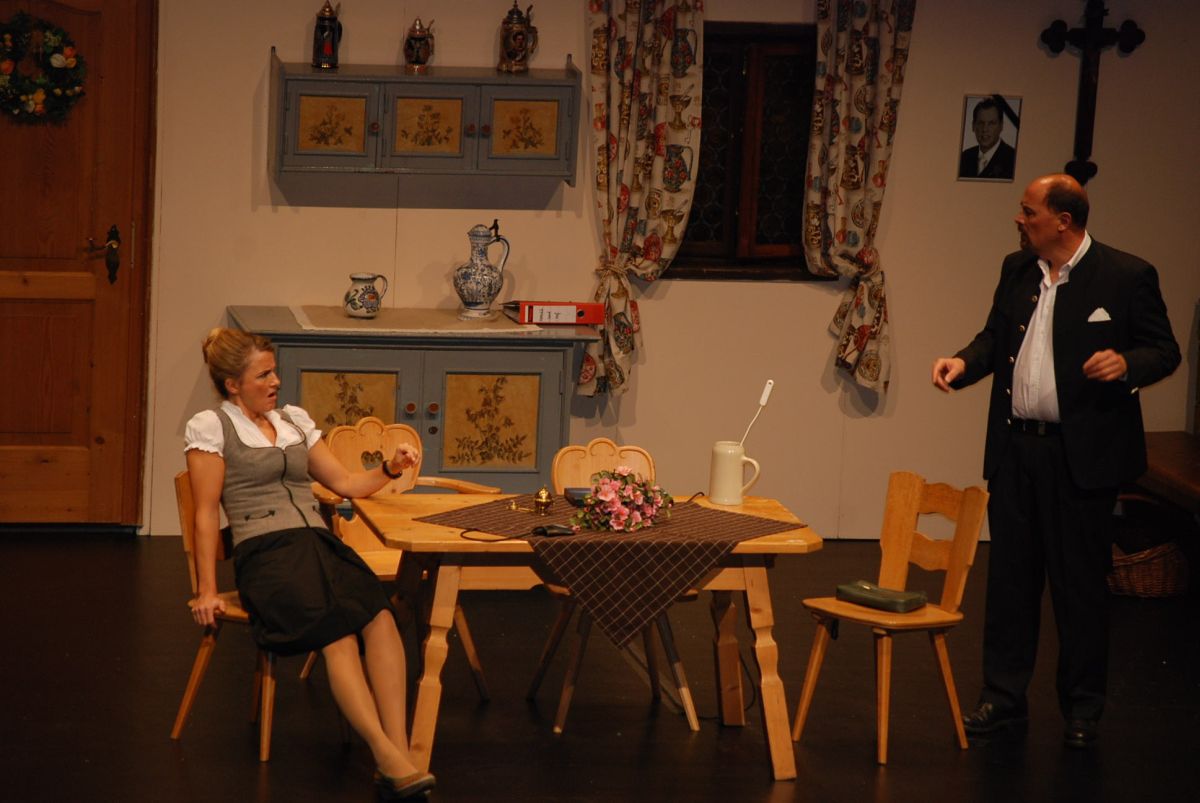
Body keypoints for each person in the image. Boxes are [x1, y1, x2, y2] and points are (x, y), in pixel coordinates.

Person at [931, 174, 1179, 748]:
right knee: (1011, 583)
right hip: (1017, 450)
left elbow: (1164, 349)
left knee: (1080, 588)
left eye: (1029, 211)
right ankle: (1002, 697)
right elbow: (995, 338)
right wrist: (963, 363)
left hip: (1080, 457)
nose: (1019, 220)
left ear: (1062, 221)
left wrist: (1128, 365)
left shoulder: (1125, 275)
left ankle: (1083, 709)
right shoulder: (1017, 269)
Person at [185, 327, 434, 801]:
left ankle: (399, 757)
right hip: (266, 553)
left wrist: (390, 468)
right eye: (263, 375)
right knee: (336, 633)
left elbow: (346, 483)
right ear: (233, 384)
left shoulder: (293, 421)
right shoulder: (211, 427)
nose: (275, 381)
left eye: (274, 371)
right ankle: (384, 754)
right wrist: (207, 589)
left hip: (317, 544)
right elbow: (204, 513)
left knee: (380, 618)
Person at [958, 98, 1017, 180]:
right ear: (973, 126)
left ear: (1001, 126)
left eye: (991, 123)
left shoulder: (1013, 159)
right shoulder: (964, 157)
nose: (985, 129)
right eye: (980, 123)